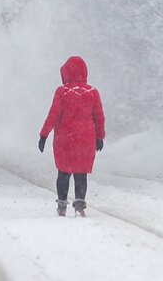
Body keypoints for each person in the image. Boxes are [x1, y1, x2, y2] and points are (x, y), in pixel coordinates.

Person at [38, 55, 105, 217]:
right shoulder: (93, 92)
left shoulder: (62, 92)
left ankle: (62, 205)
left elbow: (53, 115)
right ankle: (80, 204)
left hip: (65, 139)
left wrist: (44, 134)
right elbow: (99, 116)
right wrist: (99, 137)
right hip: (85, 140)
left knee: (64, 172)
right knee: (81, 173)